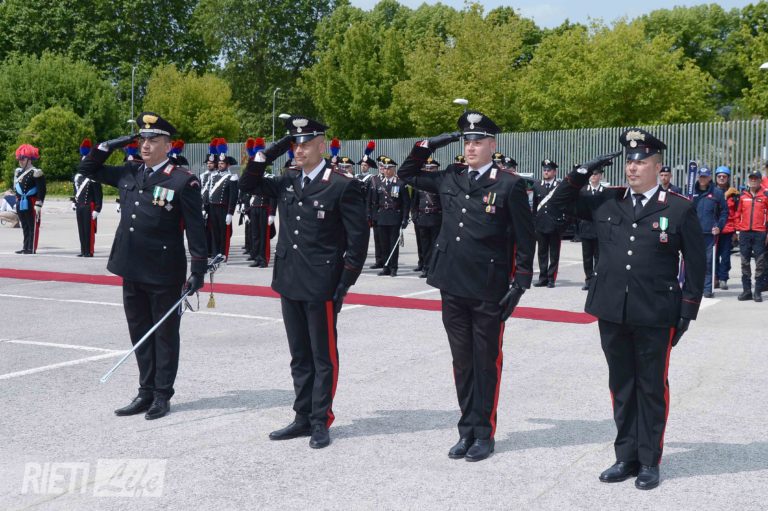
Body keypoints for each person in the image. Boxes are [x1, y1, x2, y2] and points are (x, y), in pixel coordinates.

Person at [546, 128, 705, 490]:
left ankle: (649, 460)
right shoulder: (607, 201)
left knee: (651, 387)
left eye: (641, 162)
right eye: (630, 162)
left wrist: (687, 311)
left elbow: (696, 265)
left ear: (658, 167)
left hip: (655, 311)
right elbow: (556, 206)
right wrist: (581, 172)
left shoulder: (678, 207)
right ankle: (625, 456)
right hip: (612, 308)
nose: (632, 168)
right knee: (621, 385)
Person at [397, 111, 535, 462]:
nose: (471, 147)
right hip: (451, 283)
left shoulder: (509, 184)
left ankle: (484, 433)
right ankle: (466, 431)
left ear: (492, 144)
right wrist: (430, 144)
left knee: (485, 362)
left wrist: (520, 283)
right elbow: (407, 174)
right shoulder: (451, 177)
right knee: (462, 362)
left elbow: (525, 236)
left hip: (488, 287)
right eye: (466, 141)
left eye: (477, 141)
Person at [239, 115, 369, 449]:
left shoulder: (342, 184)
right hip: (289, 278)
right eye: (295, 144)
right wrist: (273, 149)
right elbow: (248, 184)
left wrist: (344, 283)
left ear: (321, 145)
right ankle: (302, 416)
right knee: (299, 355)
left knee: (322, 356)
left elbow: (357, 241)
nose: (299, 150)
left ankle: (320, 419)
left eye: (305, 143)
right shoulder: (288, 179)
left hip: (321, 282)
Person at [78, 112, 207, 420]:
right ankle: (145, 391)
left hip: (163, 271)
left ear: (169, 146)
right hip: (131, 266)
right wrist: (111, 144)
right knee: (139, 333)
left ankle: (162, 394)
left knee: (164, 335)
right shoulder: (130, 171)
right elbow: (87, 169)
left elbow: (195, 228)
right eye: (142, 140)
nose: (146, 145)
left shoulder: (182, 180)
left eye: (153, 140)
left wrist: (199, 269)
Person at [370, 156, 410, 277]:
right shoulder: (379, 183)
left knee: (393, 244)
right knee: (383, 244)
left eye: (389, 168)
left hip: (394, 217)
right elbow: (375, 202)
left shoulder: (400, 183)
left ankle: (393, 268)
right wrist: (374, 216)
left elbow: (406, 203)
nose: (386, 171)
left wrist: (405, 218)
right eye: (385, 168)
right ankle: (385, 267)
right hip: (382, 217)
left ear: (393, 169)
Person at [691, 166, 727, 298]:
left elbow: (724, 212)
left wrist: (719, 226)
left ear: (710, 177)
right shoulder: (691, 192)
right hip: (693, 233)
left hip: (709, 234)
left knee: (708, 262)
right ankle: (695, 288)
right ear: (698, 177)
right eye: (701, 176)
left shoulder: (717, 193)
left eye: (705, 176)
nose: (703, 179)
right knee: (693, 261)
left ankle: (707, 288)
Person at [734, 170, 767, 302]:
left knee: (760, 263)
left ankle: (757, 292)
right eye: (751, 178)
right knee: (744, 262)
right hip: (745, 233)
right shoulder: (742, 196)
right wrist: (738, 231)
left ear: (760, 181)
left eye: (755, 178)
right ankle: (746, 291)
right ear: (748, 180)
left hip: (760, 233)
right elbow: (737, 214)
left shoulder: (765, 195)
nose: (753, 181)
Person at [532, 159, 564, 287]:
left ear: (554, 172)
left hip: (555, 225)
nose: (546, 172)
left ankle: (551, 279)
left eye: (549, 170)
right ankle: (543, 278)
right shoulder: (537, 186)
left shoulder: (559, 186)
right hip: (541, 224)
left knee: (554, 254)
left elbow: (564, 205)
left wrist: (563, 222)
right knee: (542, 252)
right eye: (544, 170)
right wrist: (534, 222)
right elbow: (535, 206)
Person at [411, 158, 443, 278]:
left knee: (436, 245)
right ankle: (426, 267)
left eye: (432, 168)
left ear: (437, 169)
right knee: (424, 245)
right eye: (427, 168)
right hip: (423, 218)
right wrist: (415, 216)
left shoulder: (441, 183)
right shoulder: (419, 183)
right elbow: (414, 202)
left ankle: (435, 268)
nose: (429, 170)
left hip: (436, 218)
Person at [207, 141, 239, 260]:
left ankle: (223, 253)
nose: (220, 165)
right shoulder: (213, 176)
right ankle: (215, 253)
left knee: (224, 232)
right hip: (213, 207)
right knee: (214, 231)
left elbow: (233, 197)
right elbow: (209, 194)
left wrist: (230, 212)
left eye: (222, 163)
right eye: (219, 163)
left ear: (227, 165)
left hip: (223, 208)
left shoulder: (232, 177)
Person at [72, 138, 103, 257]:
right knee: (81, 229)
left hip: (89, 206)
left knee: (89, 230)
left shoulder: (93, 177)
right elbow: (76, 191)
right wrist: (74, 202)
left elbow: (98, 194)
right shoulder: (77, 177)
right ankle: (83, 250)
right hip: (80, 205)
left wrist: (97, 209)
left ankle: (89, 251)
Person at [13, 144, 46, 254]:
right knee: (25, 226)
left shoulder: (36, 172)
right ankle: (25, 246)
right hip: (21, 202)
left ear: (29, 159)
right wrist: (16, 200)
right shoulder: (19, 172)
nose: (20, 161)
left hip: (31, 202)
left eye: (23, 158)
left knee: (33, 226)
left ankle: (31, 247)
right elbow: (17, 189)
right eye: (19, 158)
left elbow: (42, 189)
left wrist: (39, 203)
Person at [578, 167, 606, 290]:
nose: (594, 176)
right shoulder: (583, 191)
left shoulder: (604, 192)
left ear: (600, 176)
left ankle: (597, 280)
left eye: (596, 174)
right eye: (592, 174)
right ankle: (588, 280)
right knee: (587, 257)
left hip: (600, 229)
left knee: (599, 256)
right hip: (586, 228)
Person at [714, 166, 739, 290]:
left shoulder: (734, 194)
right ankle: (715, 277)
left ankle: (723, 278)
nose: (721, 178)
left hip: (728, 229)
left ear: (728, 178)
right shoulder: (711, 192)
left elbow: (737, 213)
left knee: (725, 257)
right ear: (716, 178)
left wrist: (736, 231)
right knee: (713, 256)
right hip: (714, 229)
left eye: (724, 176)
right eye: (719, 176)